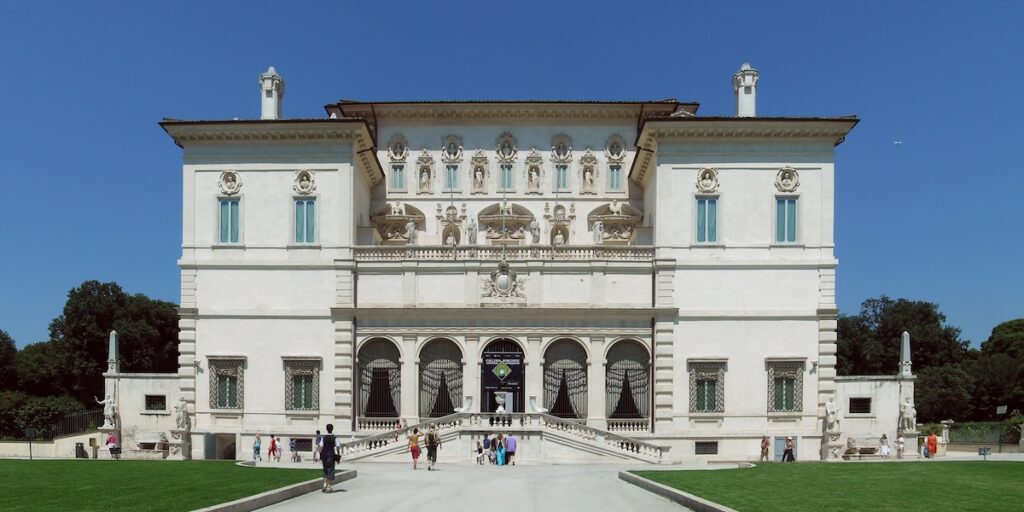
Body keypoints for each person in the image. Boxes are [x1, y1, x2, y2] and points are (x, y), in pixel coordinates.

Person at [319, 423, 341, 493]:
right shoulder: (335, 438)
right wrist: (338, 456)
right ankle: (329, 486)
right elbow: (338, 447)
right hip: (331, 455)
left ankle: (324, 484)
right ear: (332, 429)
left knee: (325, 470)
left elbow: (321, 447)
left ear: (326, 429)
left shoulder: (323, 437)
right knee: (330, 470)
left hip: (324, 455)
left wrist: (321, 454)